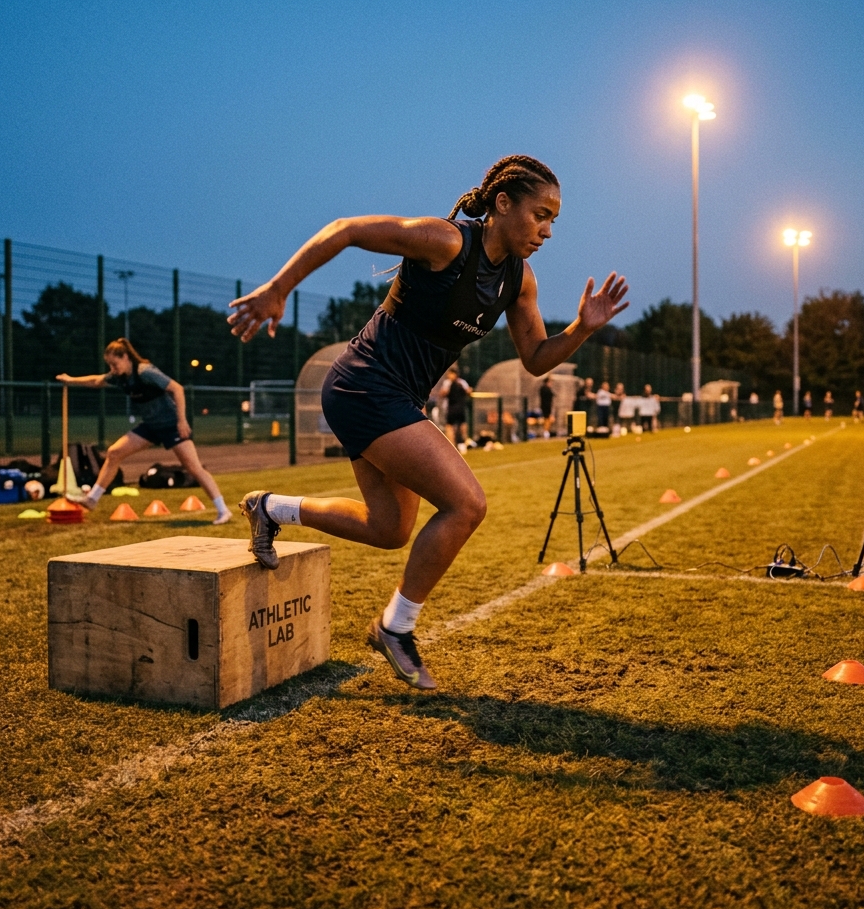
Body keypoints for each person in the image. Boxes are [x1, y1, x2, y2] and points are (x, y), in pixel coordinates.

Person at [227, 155, 628, 690]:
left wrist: (581, 326)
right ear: (503, 204)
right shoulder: (446, 243)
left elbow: (534, 357)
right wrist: (279, 288)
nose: (547, 230)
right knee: (467, 504)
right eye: (541, 214)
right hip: (363, 385)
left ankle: (269, 508)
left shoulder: (519, 279)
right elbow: (346, 230)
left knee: (390, 529)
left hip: (393, 399)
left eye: (554, 219)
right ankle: (396, 628)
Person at [55, 338, 233, 523]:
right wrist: (70, 380)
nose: (112, 369)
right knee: (114, 452)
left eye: (114, 364)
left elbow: (177, 389)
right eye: (109, 365)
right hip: (151, 426)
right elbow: (96, 381)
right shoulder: (119, 377)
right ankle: (92, 499)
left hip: (171, 424)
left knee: (194, 468)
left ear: (125, 357)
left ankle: (223, 511)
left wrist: (181, 421)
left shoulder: (145, 372)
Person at [439, 367, 471, 448]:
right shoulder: (462, 382)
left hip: (452, 407)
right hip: (460, 407)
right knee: (462, 425)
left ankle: (452, 445)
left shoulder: (448, 383)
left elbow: (443, 393)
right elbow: (469, 391)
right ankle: (463, 443)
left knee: (450, 426)